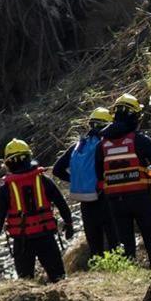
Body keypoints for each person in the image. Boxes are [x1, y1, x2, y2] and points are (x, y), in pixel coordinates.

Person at [0, 139, 74, 282]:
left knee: (25, 282)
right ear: (29, 157)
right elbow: (61, 203)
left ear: (7, 163)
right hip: (46, 237)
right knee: (59, 278)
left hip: (22, 242)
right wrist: (69, 224)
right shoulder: (43, 180)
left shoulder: (6, 189)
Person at [99, 93, 151, 268]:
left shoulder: (101, 145)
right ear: (134, 116)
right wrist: (149, 168)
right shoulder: (140, 140)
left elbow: (99, 174)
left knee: (126, 243)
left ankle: (130, 273)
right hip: (140, 198)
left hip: (115, 202)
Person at [53, 107, 121, 261]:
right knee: (113, 238)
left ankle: (99, 271)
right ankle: (119, 268)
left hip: (85, 199)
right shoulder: (106, 144)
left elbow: (57, 169)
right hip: (105, 197)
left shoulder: (79, 146)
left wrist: (78, 179)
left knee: (94, 243)